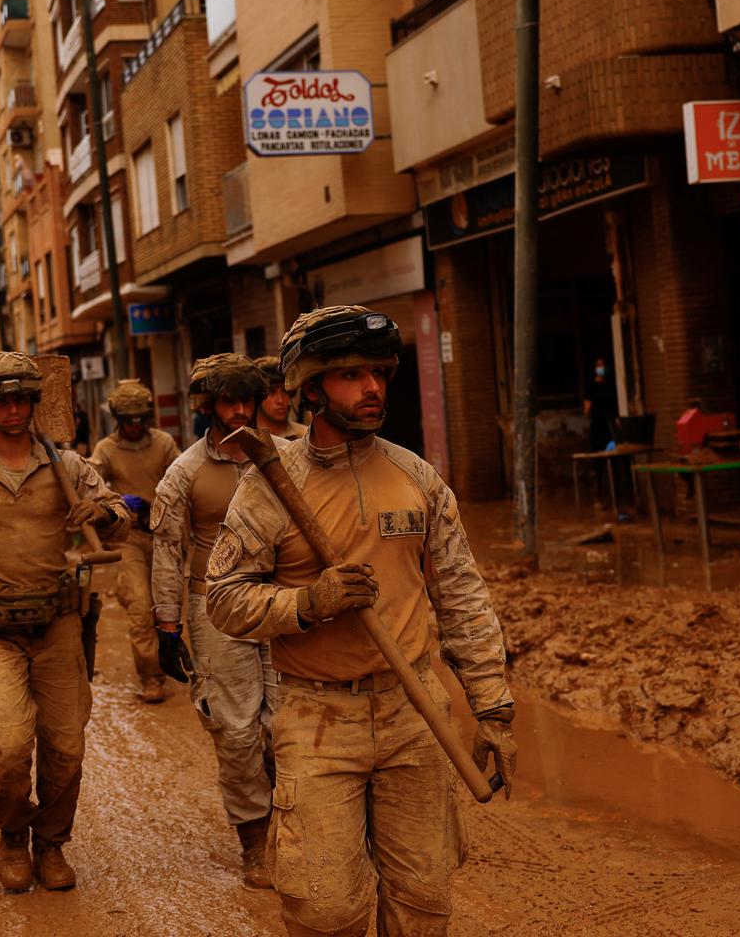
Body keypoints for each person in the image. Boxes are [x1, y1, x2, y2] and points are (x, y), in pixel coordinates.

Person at [206, 306, 515, 936]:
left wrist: (493, 707)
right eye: (351, 375)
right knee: (325, 911)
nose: (373, 388)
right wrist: (306, 603)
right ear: (311, 390)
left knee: (423, 904)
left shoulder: (418, 479)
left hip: (414, 710)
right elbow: (222, 601)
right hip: (319, 720)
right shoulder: (267, 487)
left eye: (379, 372)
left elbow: (462, 597)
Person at [0, 351, 129, 893]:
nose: (12, 409)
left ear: (35, 403)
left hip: (60, 629)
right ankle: (13, 834)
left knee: (66, 747)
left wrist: (101, 514)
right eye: (0, 400)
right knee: (6, 750)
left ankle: (52, 844)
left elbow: (121, 521)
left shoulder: (70, 468)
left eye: (21, 398)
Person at [150, 353, 277, 888]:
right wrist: (167, 626)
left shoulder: (284, 458)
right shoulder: (184, 473)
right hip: (215, 611)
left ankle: (299, 825)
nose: (241, 409)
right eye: (229, 400)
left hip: (283, 604)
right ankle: (255, 839)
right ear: (208, 407)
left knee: (289, 725)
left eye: (247, 398)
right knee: (237, 731)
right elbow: (167, 551)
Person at [88, 379, 181, 703]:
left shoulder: (165, 444)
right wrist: (115, 501)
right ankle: (151, 676)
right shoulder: (106, 450)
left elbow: (182, 482)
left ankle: (177, 663)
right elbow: (91, 488)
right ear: (118, 419)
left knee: (170, 604)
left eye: (141, 419)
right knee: (140, 606)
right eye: (129, 421)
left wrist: (158, 505)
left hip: (165, 535)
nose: (135, 426)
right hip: (128, 538)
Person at [254, 355, 308, 440]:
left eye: (285, 392)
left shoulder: (306, 437)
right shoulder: (246, 439)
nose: (280, 400)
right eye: (271, 392)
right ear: (258, 396)